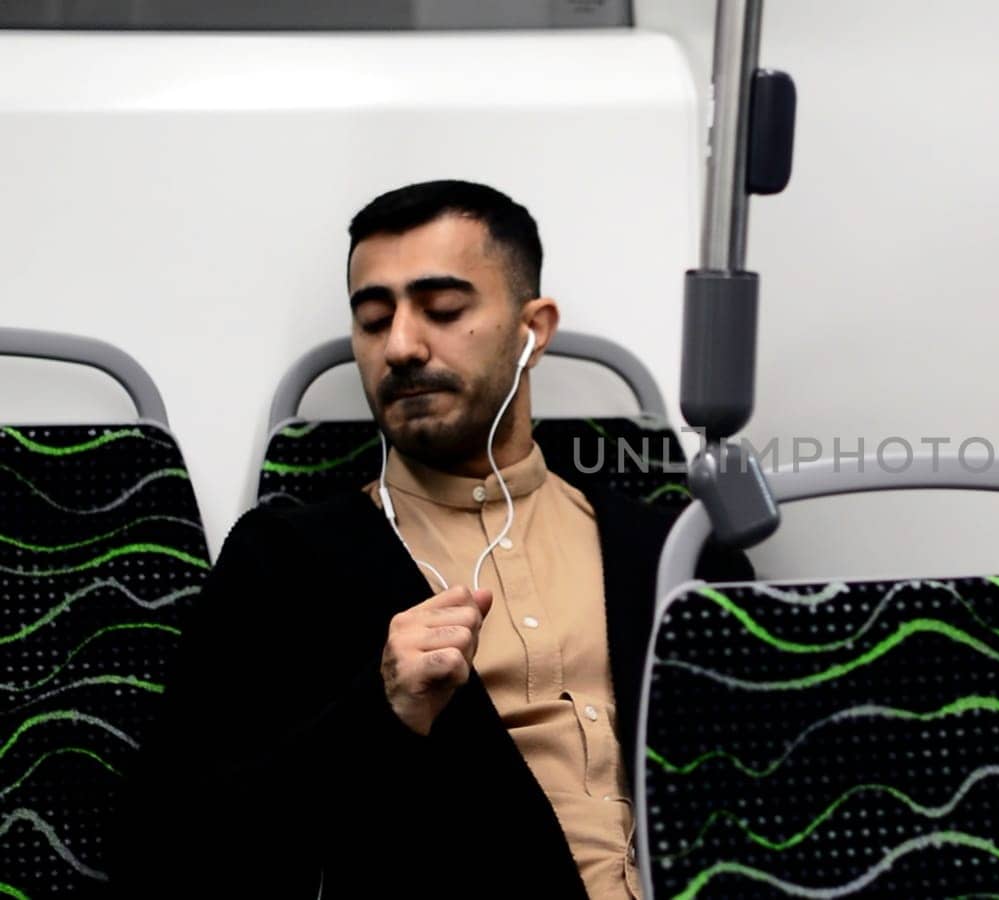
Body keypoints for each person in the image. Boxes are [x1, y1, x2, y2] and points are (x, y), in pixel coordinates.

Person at [114, 180, 749, 898]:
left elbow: (782, 779)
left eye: (443, 310)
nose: (403, 347)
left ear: (532, 329)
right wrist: (380, 711)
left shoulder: (673, 550)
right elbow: (167, 843)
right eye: (374, 321)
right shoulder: (289, 561)